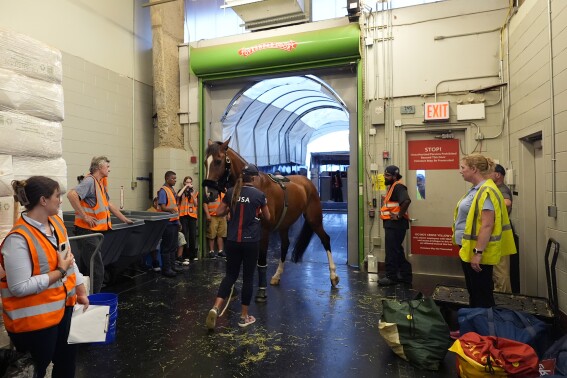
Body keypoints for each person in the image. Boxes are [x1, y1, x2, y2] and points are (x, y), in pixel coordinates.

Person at [1, 176, 90, 377]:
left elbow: (70, 260)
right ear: (43, 200)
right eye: (57, 196)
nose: (60, 200)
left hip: (63, 311)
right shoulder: (17, 239)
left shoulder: (57, 224)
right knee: (36, 371)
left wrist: (80, 288)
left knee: (66, 365)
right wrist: (59, 271)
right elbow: (19, 287)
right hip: (35, 324)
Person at [206, 164, 271, 330]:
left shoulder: (230, 193)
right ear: (254, 178)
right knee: (248, 278)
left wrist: (230, 209)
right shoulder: (260, 195)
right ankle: (243, 317)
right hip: (251, 242)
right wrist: (259, 213)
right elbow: (268, 217)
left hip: (233, 241)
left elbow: (219, 212)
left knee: (230, 276)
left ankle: (215, 307)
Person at [452, 154, 516, 308]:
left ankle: (483, 328)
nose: (460, 171)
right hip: (469, 247)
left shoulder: (486, 191)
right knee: (474, 291)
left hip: (478, 250)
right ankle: (475, 327)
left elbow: (487, 225)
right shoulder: (476, 189)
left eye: (463, 168)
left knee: (481, 293)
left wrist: (478, 253)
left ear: (474, 169)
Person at [67, 156, 133, 293]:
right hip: (87, 231)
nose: (110, 169)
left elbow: (109, 204)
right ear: (99, 167)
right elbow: (72, 195)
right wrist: (85, 216)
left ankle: (88, 296)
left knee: (91, 267)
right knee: (97, 270)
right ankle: (94, 301)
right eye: (107, 167)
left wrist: (124, 219)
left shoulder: (99, 183)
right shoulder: (90, 181)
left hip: (94, 232)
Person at [378, 165, 412, 286]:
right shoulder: (392, 187)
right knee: (397, 251)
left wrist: (398, 215)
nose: (384, 177)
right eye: (384, 174)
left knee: (392, 251)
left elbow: (406, 201)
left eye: (387, 175)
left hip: (395, 225)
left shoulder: (398, 186)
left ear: (394, 176)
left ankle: (391, 277)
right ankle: (405, 275)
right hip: (393, 225)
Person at [491, 164, 513, 293]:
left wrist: (487, 207)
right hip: (496, 236)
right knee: (497, 274)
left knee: (501, 274)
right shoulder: (495, 188)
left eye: (490, 172)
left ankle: (505, 305)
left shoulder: (501, 189)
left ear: (497, 175)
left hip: (501, 237)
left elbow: (507, 202)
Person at [157, 171, 182, 277]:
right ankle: (166, 269)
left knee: (173, 246)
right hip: (168, 223)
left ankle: (172, 267)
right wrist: (170, 209)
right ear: (167, 179)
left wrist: (178, 221)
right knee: (166, 247)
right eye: (173, 178)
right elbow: (162, 207)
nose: (175, 180)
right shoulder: (163, 191)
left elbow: (175, 207)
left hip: (174, 222)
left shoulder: (172, 190)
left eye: (175, 178)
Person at [177, 176, 199, 262]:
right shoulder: (181, 191)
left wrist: (192, 192)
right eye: (187, 182)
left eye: (190, 182)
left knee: (192, 235)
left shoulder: (194, 192)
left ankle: (193, 254)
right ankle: (185, 255)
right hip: (183, 215)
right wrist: (185, 187)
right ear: (184, 183)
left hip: (192, 216)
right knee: (184, 235)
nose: (188, 184)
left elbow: (196, 204)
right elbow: (178, 195)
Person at [204, 191, 227, 259]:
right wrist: (207, 214)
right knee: (212, 234)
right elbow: (205, 204)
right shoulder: (209, 193)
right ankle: (211, 251)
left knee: (221, 234)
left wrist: (227, 214)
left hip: (222, 216)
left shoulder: (223, 194)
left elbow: (227, 204)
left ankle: (220, 251)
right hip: (212, 216)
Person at [145, 197, 162, 272]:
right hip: (154, 233)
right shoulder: (150, 211)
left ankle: (177, 258)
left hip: (162, 232)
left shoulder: (162, 211)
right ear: (155, 203)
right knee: (156, 241)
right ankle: (155, 262)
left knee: (180, 236)